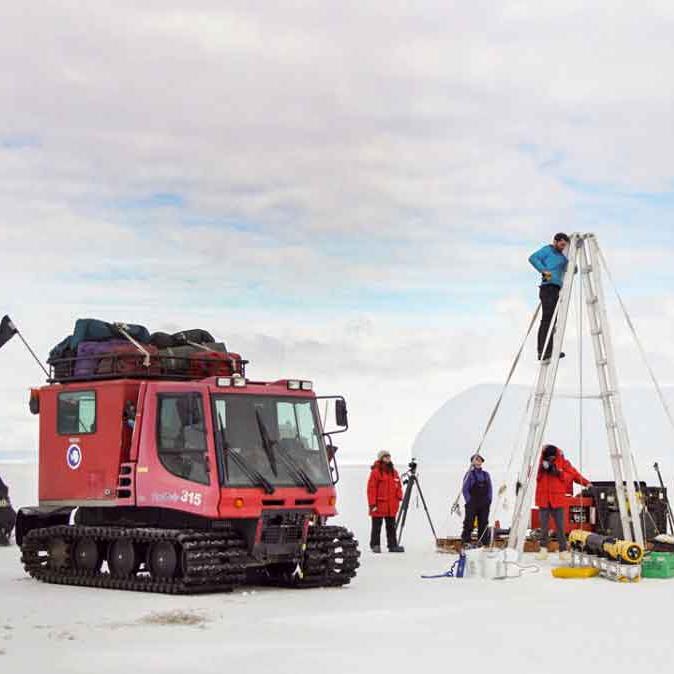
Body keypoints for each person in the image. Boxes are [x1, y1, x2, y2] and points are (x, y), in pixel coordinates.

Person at [535, 444, 591, 561]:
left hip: (557, 500)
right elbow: (532, 476)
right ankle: (543, 550)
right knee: (544, 527)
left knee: (560, 527)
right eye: (548, 457)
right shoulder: (540, 464)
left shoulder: (563, 463)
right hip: (544, 500)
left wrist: (587, 483)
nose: (550, 459)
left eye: (552, 457)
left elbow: (574, 475)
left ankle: (563, 551)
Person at [529, 233, 571, 360]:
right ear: (555, 241)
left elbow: (571, 269)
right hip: (547, 288)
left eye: (565, 245)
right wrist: (544, 271)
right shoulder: (547, 250)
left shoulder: (562, 258)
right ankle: (542, 351)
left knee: (553, 320)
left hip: (556, 289)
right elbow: (533, 258)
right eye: (561, 244)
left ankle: (550, 350)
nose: (563, 247)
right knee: (547, 319)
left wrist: (573, 265)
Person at [367, 451, 405, 553]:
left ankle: (392, 545)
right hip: (379, 504)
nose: (388, 459)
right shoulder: (375, 472)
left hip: (391, 505)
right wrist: (372, 504)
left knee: (391, 527)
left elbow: (398, 486)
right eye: (385, 457)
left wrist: (399, 497)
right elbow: (371, 489)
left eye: (389, 457)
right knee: (376, 527)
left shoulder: (394, 472)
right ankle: (375, 545)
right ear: (381, 458)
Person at [461, 453, 493, 546]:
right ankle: (466, 541)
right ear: (472, 462)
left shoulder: (486, 475)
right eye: (476, 460)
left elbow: (490, 488)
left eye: (480, 460)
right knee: (469, 522)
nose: (478, 462)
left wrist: (489, 500)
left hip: (484, 503)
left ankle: (483, 542)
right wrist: (469, 500)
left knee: (483, 523)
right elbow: (464, 489)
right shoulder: (469, 474)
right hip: (472, 502)